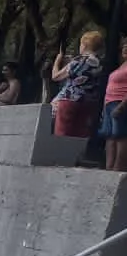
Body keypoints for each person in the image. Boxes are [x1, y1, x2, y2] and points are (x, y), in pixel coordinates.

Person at [51, 30, 105, 138]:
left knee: (63, 133)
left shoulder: (78, 61)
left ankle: (61, 154)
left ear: (84, 45)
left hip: (70, 100)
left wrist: (58, 60)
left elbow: (56, 76)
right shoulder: (101, 63)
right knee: (80, 135)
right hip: (89, 102)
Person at [102, 38, 127, 171]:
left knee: (121, 136)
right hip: (109, 103)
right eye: (124, 46)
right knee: (110, 136)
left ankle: (119, 167)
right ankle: (109, 167)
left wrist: (122, 106)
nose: (125, 48)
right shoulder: (121, 66)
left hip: (121, 103)